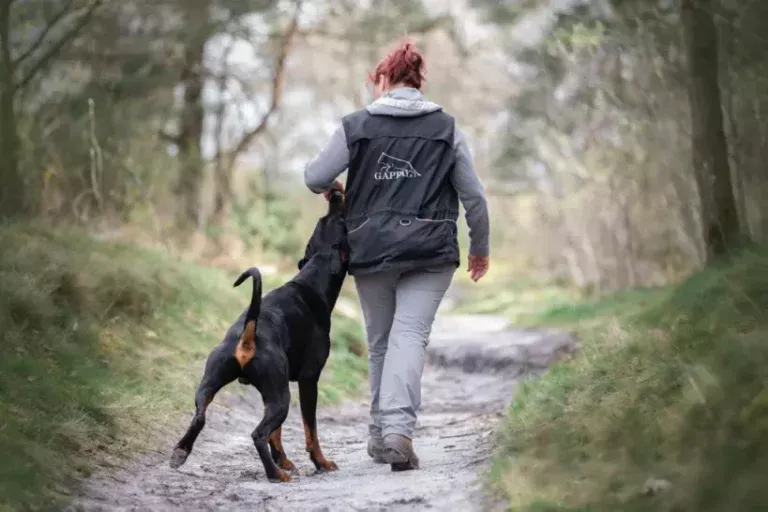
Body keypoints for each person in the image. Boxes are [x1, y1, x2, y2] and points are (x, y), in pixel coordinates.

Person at [303, 40, 490, 471]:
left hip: (371, 249)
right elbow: (474, 198)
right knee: (408, 337)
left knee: (382, 344)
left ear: (383, 80)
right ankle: (392, 435)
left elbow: (315, 176)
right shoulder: (447, 127)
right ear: (418, 82)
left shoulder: (356, 125)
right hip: (431, 250)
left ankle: (383, 435)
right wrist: (480, 248)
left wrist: (331, 186)